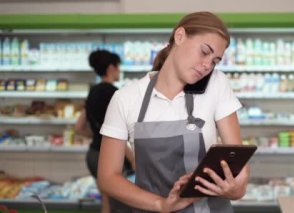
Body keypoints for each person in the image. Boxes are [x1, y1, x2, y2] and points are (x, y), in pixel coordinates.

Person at [98, 11, 250, 212]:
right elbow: (107, 178)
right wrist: (161, 204)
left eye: (215, 61)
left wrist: (234, 189)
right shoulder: (126, 98)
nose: (207, 65)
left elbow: (238, 169)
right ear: (179, 36)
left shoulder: (217, 83)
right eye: (205, 52)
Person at [75, 49, 134, 213]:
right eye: (118, 67)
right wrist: (133, 159)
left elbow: (79, 127)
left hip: (93, 154)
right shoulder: (113, 94)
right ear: (111, 68)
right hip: (110, 157)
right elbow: (116, 134)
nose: (119, 71)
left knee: (107, 202)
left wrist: (97, 135)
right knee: (120, 205)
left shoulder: (92, 91)